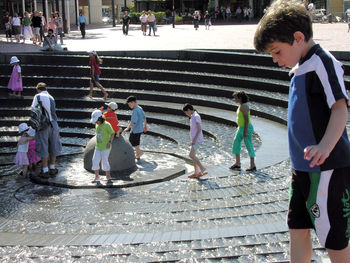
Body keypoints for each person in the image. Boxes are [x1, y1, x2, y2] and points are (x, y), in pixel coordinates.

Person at [254, 0, 350, 262]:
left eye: (276, 52)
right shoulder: (299, 68)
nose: (275, 60)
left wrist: (325, 146)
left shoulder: (322, 63)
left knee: (334, 238)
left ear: (298, 38)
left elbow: (340, 109)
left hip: (327, 168)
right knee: (297, 228)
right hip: (303, 169)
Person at [31, 82, 62, 178]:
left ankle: (45, 170)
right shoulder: (51, 97)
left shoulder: (38, 96)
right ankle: (52, 168)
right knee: (54, 145)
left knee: (44, 146)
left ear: (38, 89)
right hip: (54, 124)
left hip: (43, 125)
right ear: (46, 89)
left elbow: (34, 110)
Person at [230, 91, 256, 171]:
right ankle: (237, 163)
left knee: (248, 145)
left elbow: (246, 120)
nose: (234, 99)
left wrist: (245, 131)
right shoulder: (241, 106)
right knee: (236, 143)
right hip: (241, 127)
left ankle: (252, 165)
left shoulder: (244, 107)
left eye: (236, 98)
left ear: (240, 98)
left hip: (246, 128)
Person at [182, 103, 207, 179]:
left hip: (197, 139)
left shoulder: (196, 116)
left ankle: (202, 168)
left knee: (191, 155)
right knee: (193, 156)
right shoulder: (193, 116)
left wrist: (194, 140)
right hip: (195, 139)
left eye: (186, 112)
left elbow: (199, 129)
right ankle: (196, 172)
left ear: (189, 110)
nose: (186, 114)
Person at [90, 109, 115, 183]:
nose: (96, 122)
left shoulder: (107, 125)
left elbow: (112, 133)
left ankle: (108, 176)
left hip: (106, 147)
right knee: (94, 161)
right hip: (98, 146)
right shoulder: (97, 125)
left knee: (104, 161)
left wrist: (109, 142)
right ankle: (97, 176)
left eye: (97, 120)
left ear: (100, 118)